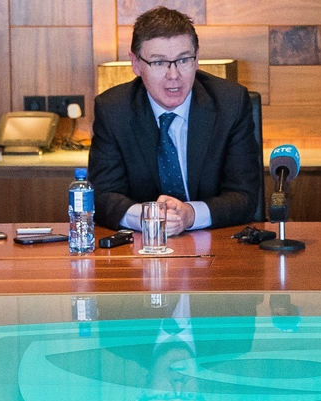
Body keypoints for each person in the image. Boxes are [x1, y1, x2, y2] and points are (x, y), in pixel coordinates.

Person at [89, 6, 261, 235]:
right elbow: (102, 196)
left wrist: (190, 214)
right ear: (136, 64)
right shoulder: (113, 110)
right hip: (140, 251)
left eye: (183, 60)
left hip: (219, 245)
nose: (173, 75)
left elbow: (245, 196)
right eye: (159, 63)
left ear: (197, 58)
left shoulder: (230, 104)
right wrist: (147, 216)